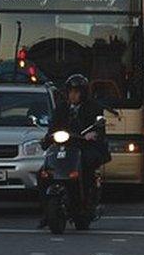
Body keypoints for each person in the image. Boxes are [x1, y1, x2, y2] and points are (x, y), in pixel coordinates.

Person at [38, 74, 107, 228]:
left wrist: (93, 134)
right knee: (43, 173)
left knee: (87, 165)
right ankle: (46, 211)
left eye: (76, 92)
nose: (73, 95)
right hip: (63, 147)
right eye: (70, 92)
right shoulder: (61, 108)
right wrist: (46, 138)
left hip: (84, 146)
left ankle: (87, 204)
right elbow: (53, 127)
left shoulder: (93, 107)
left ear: (83, 93)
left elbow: (100, 128)